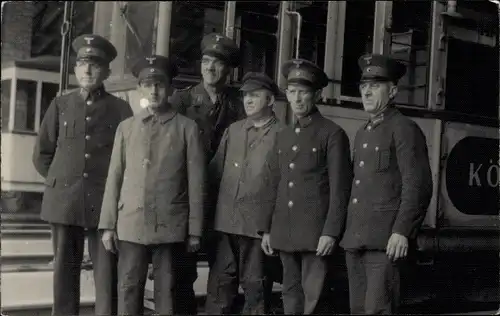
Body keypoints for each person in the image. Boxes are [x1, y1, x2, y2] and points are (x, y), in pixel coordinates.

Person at [32, 34, 133, 316]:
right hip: (64, 201)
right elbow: (42, 154)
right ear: (75, 69)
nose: (87, 70)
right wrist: (61, 182)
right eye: (82, 64)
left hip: (104, 204)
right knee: (64, 271)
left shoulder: (120, 109)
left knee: (106, 274)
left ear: (107, 72)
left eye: (95, 65)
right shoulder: (60, 105)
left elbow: (127, 159)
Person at [98, 55, 206, 315]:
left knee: (167, 293)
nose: (154, 90)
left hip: (170, 226)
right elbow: (114, 177)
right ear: (140, 89)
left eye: (160, 84)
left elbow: (196, 182)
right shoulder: (126, 128)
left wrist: (194, 230)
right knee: (128, 289)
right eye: (148, 85)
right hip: (131, 223)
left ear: (170, 89)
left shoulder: (186, 128)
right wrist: (108, 225)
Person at [339, 53, 433, 314]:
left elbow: (418, 185)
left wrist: (402, 231)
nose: (367, 92)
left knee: (378, 310)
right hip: (356, 239)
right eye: (364, 86)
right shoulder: (363, 133)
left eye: (375, 86)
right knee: (358, 309)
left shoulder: (404, 128)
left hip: (385, 241)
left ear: (392, 91)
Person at [259, 59, 353, 315]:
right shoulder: (285, 135)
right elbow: (273, 184)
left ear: (318, 95)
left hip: (315, 234)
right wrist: (266, 229)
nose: (297, 98)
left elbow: (340, 189)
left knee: (314, 299)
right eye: (292, 92)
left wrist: (331, 232)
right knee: (290, 296)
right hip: (285, 231)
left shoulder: (332, 134)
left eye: (304, 92)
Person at [170, 32, 245, 314]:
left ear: (228, 69)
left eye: (218, 63)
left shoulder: (239, 106)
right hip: (189, 203)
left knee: (224, 275)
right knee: (182, 275)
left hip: (226, 204)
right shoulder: (182, 102)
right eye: (205, 61)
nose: (210, 68)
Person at [205, 72, 284, 314]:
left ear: (270, 101)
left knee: (256, 291)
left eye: (255, 96)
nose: (248, 100)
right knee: (219, 290)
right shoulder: (234, 131)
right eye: (246, 96)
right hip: (225, 225)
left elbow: (284, 188)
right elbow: (214, 175)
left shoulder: (284, 135)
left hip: (257, 229)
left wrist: (272, 228)